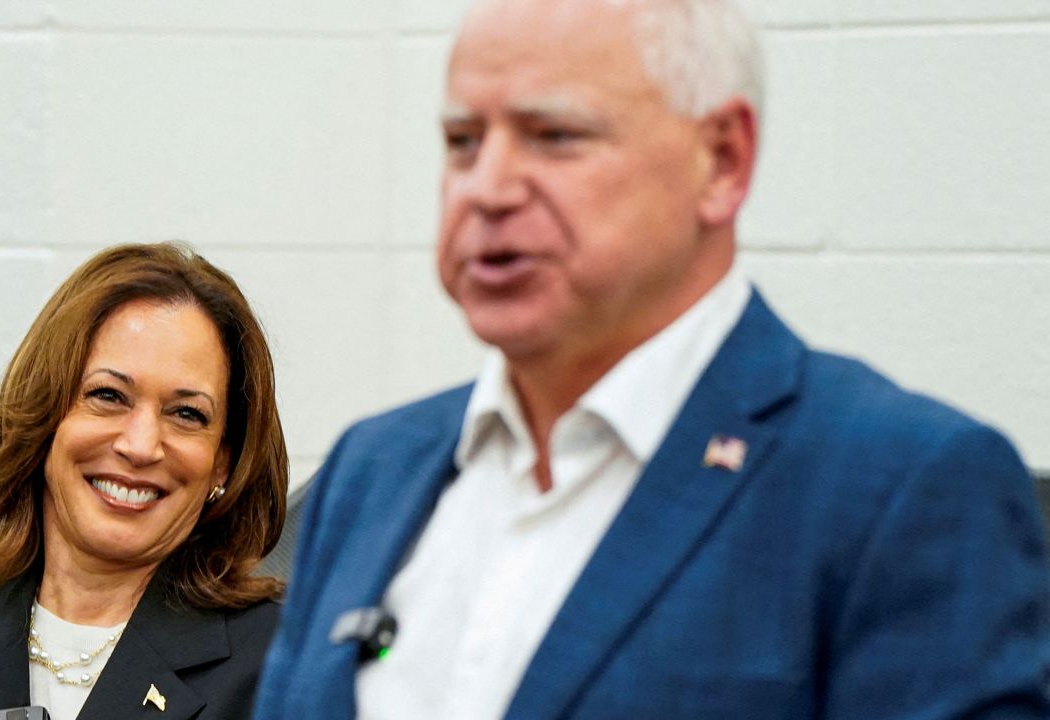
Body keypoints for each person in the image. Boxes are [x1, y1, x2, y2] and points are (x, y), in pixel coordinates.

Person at [253, 0, 1050, 718]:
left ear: (723, 161)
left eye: (555, 136)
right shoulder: (372, 470)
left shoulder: (902, 487)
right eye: (463, 142)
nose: (487, 187)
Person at [0, 242, 288, 720]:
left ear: (222, 463)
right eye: (108, 395)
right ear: (43, 418)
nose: (141, 445)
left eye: (187, 413)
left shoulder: (290, 669)